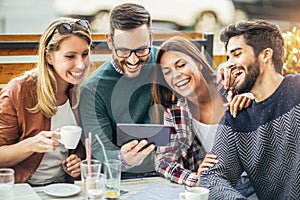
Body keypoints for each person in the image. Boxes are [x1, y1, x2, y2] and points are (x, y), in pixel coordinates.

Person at [200, 20, 300, 200]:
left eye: (236, 54)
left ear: (265, 55)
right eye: (227, 57)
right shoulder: (236, 117)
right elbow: (213, 177)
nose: (228, 64)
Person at [152, 36, 254, 196]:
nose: (176, 75)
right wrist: (196, 179)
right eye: (167, 72)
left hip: (257, 179)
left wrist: (254, 99)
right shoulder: (175, 111)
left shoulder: (230, 84)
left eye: (181, 65)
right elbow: (163, 161)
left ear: (198, 63)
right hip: (219, 185)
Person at [0, 17, 91, 185]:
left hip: (64, 187)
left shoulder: (83, 92)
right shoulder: (18, 91)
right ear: (49, 57)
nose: (81, 64)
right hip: (23, 187)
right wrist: (31, 145)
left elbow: (85, 144)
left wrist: (77, 160)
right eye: (70, 56)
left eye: (85, 54)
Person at [79, 3, 159, 177]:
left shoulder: (167, 63)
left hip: (173, 172)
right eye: (123, 51)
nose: (133, 60)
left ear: (151, 38)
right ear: (109, 41)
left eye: (141, 50)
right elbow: (100, 151)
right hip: (124, 180)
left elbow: (202, 82)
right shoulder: (93, 89)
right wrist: (123, 159)